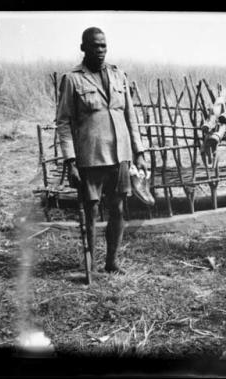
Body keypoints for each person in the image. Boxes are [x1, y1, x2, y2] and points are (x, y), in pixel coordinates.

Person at [56, 27, 147, 273]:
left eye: (103, 46)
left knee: (118, 209)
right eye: (95, 46)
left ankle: (111, 262)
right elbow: (63, 123)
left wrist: (139, 151)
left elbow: (131, 117)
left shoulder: (119, 76)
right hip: (91, 156)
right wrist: (70, 161)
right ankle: (90, 264)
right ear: (83, 47)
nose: (100, 50)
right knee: (92, 210)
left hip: (120, 155)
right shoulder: (73, 79)